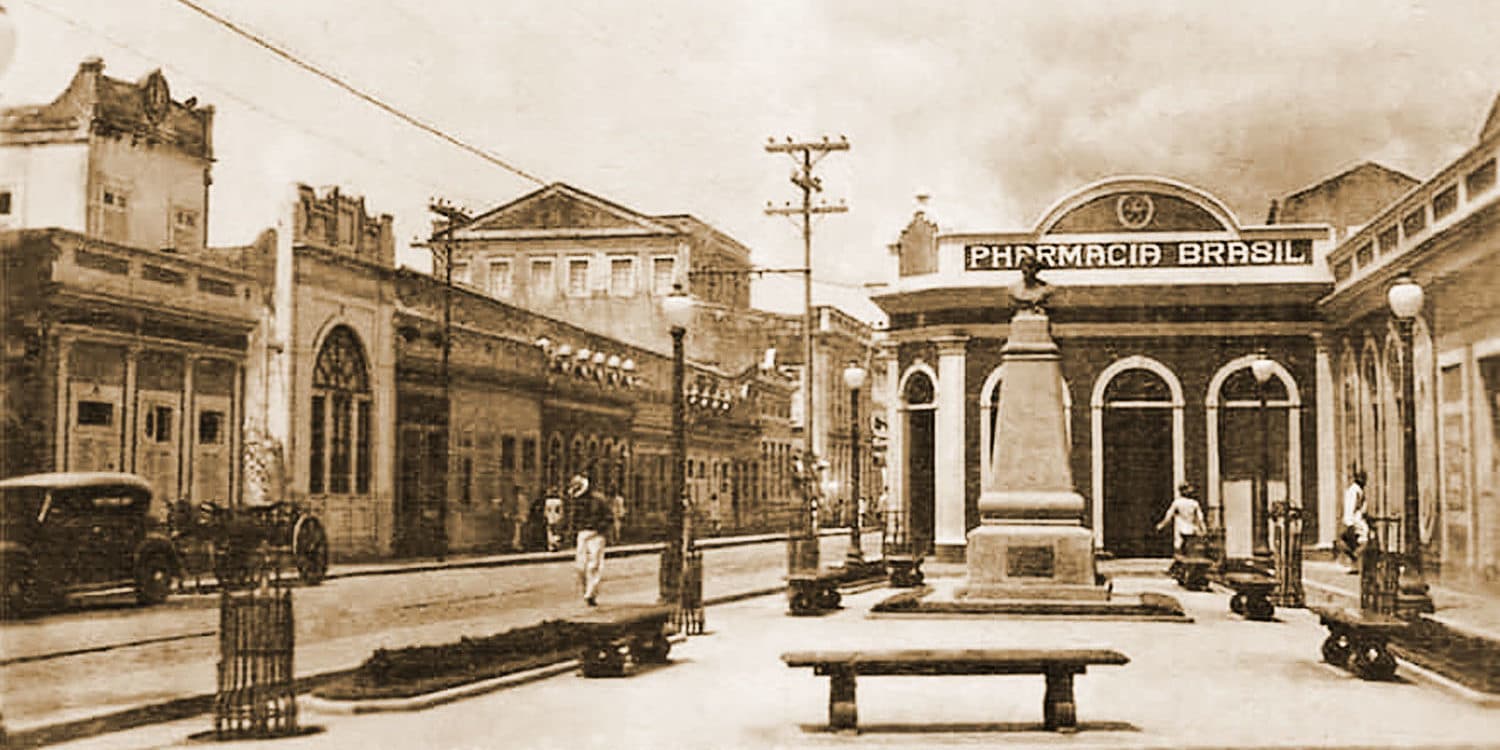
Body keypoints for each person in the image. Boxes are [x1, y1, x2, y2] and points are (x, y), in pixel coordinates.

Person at [568, 473, 613, 606]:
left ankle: (590, 594)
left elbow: (609, 517)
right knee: (580, 566)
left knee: (593, 565)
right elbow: (573, 519)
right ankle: (586, 589)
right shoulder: (577, 502)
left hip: (596, 534)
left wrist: (600, 529)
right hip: (582, 534)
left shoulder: (599, 500)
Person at [1156, 482, 1206, 556]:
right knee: (1188, 547)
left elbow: (1169, 515)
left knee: (1179, 546)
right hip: (1190, 528)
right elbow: (1200, 518)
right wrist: (1203, 529)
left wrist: (1162, 524)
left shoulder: (1178, 503)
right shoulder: (1194, 503)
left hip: (1181, 528)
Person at [1340, 469, 1369, 572]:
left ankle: (1354, 564)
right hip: (1356, 520)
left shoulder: (1358, 490)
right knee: (1364, 542)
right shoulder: (1354, 491)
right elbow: (1350, 507)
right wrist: (1350, 523)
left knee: (1354, 543)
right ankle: (1354, 560)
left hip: (1357, 520)